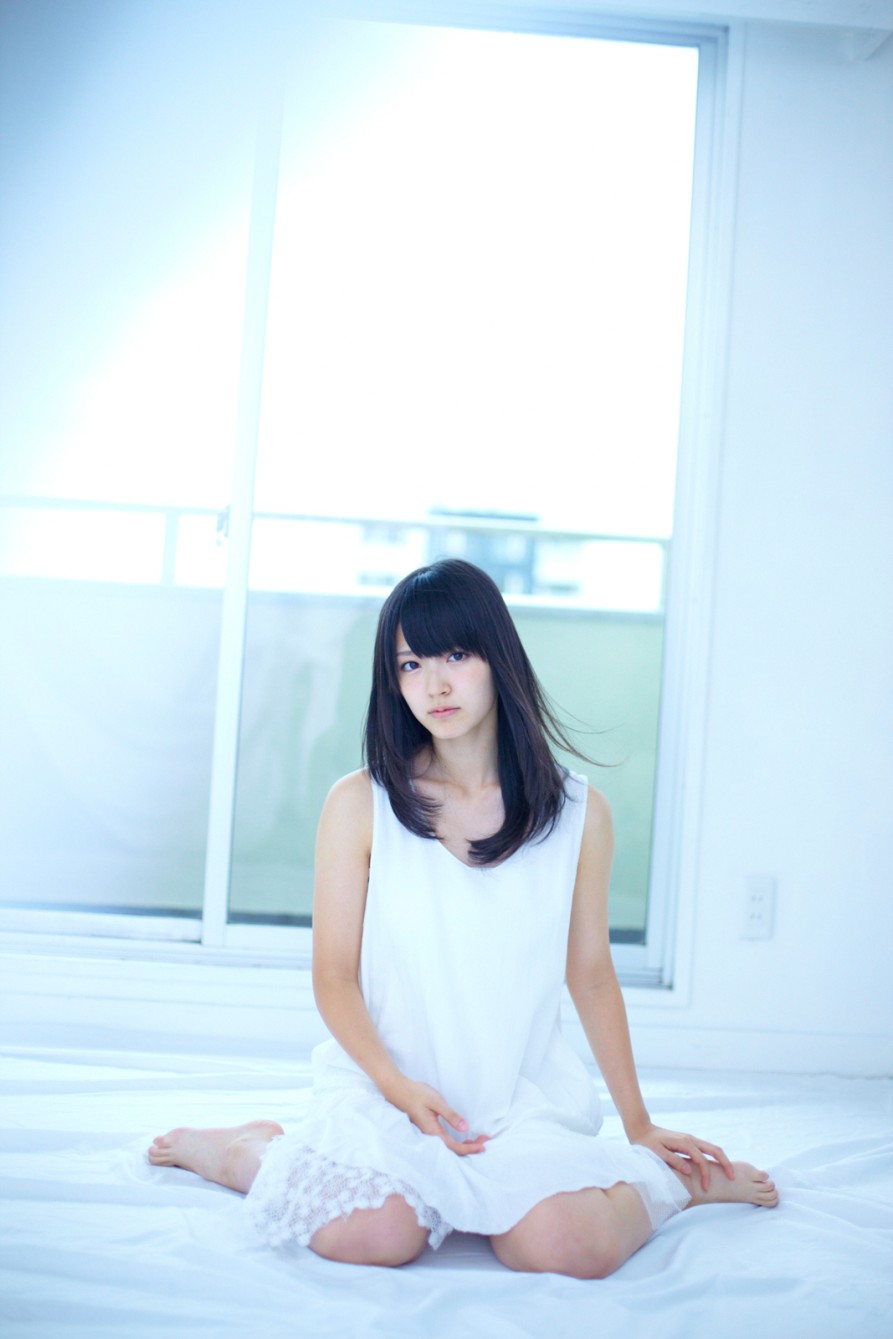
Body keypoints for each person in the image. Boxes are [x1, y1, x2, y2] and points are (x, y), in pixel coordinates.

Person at [148, 558, 777, 1277]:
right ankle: (244, 1149)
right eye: (410, 664)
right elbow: (334, 978)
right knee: (376, 1234)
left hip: (516, 1098)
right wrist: (397, 1088)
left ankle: (676, 1187)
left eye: (454, 655)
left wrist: (639, 1124)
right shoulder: (360, 804)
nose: (434, 685)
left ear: (497, 656)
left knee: (564, 1246)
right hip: (387, 1086)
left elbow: (591, 975)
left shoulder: (579, 814)